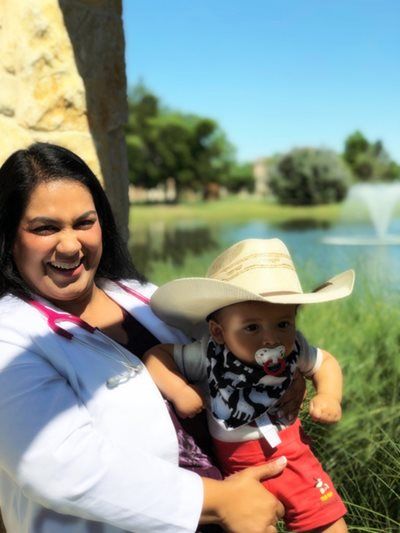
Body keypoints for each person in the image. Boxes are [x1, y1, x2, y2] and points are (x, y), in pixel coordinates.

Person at [0, 143, 292, 533]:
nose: (70, 246)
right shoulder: (10, 338)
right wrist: (220, 501)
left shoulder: (143, 296)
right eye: (44, 228)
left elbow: (228, 354)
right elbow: (58, 464)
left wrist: (287, 377)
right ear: (9, 236)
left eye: (84, 223)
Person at [144, 238, 355, 532]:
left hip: (293, 454)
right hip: (239, 465)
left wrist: (329, 396)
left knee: (326, 521)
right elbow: (157, 356)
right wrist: (179, 390)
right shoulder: (208, 355)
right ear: (218, 332)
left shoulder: (296, 348)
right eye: (252, 327)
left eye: (283, 324)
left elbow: (326, 363)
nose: (270, 339)